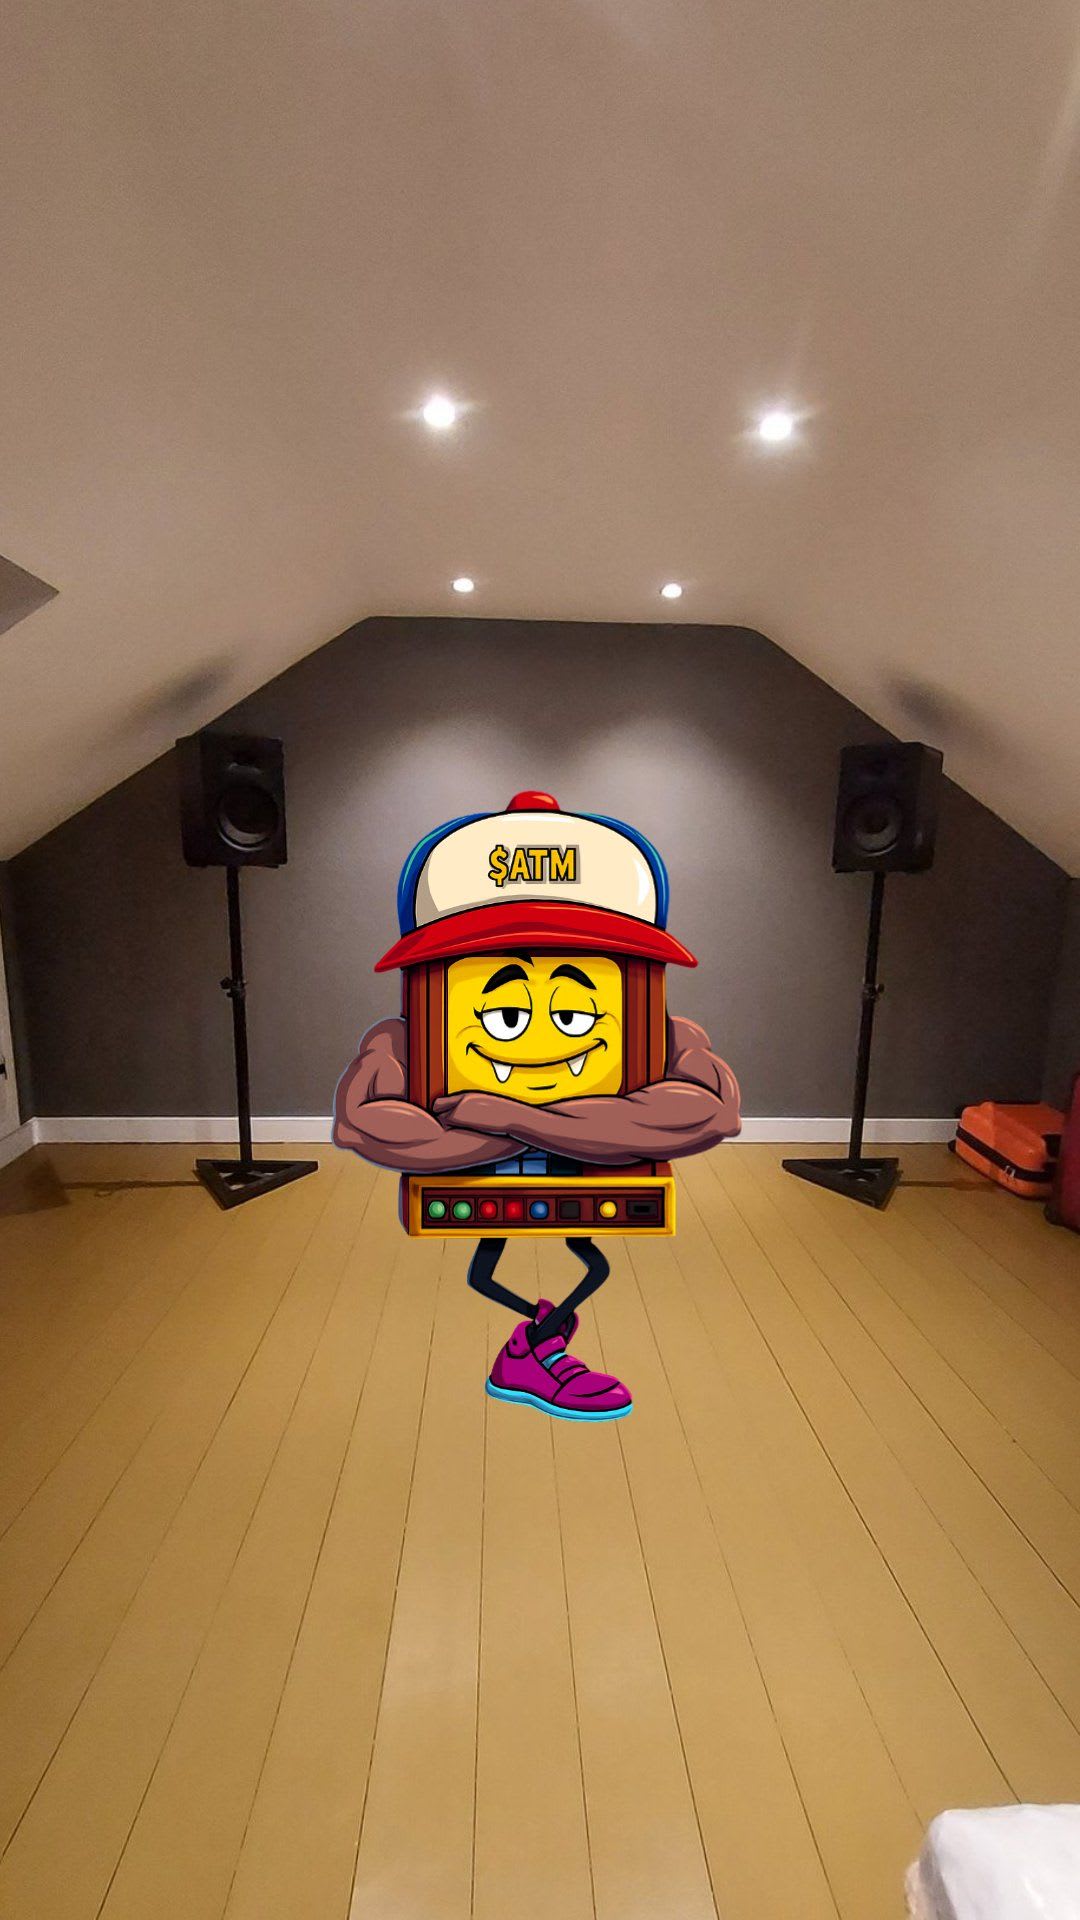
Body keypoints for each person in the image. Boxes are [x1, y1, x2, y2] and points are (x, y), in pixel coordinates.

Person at [334, 792, 740, 1419]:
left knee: (591, 1265)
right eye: (505, 1012)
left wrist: (507, 1116)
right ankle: (535, 1347)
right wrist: (586, 1130)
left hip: (566, 1176)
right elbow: (366, 1122)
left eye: (574, 1011)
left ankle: (532, 1349)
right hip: (504, 1185)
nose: (544, 1038)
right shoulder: (398, 1042)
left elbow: (711, 1110)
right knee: (488, 1272)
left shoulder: (667, 1034)